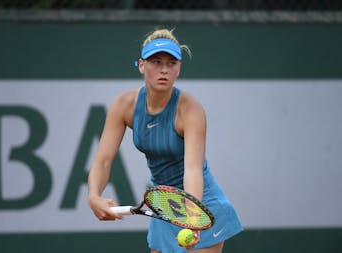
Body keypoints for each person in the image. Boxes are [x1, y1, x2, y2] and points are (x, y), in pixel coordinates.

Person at [88, 28, 243, 253]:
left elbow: (193, 169)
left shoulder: (190, 110)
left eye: (172, 63)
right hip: (164, 203)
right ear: (141, 65)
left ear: (178, 68)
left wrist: (193, 217)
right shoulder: (124, 105)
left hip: (201, 204)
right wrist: (93, 196)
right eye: (156, 62)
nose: (164, 70)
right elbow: (103, 160)